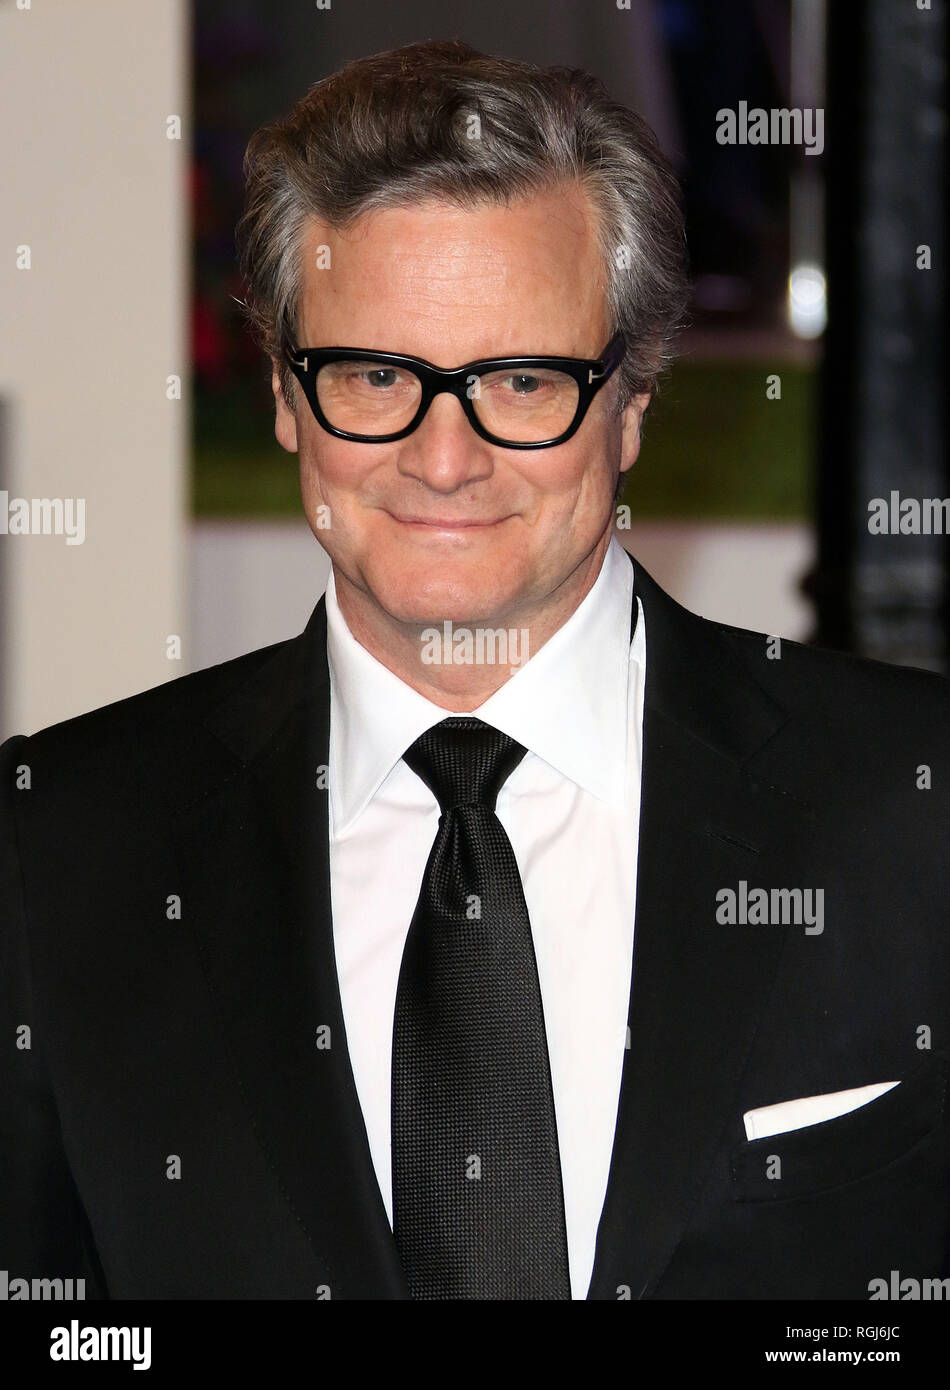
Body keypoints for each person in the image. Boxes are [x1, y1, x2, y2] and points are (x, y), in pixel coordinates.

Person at [2, 38, 948, 1303]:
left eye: (519, 380)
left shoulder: (914, 807)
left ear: (633, 400)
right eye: (376, 375)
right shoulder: (54, 844)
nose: (442, 460)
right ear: (288, 395)